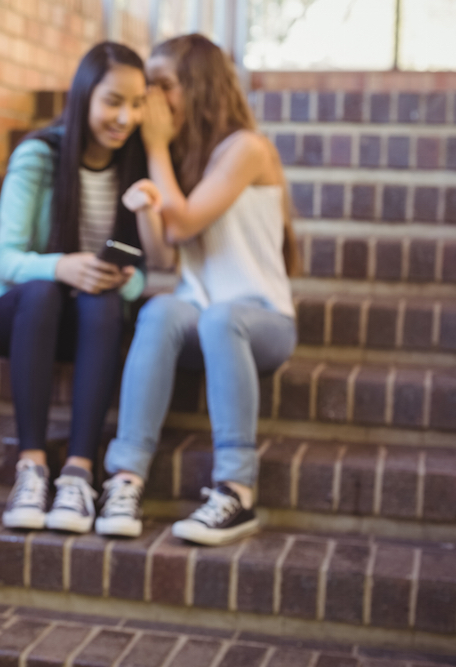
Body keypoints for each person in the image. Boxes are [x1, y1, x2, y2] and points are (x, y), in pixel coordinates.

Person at [95, 34, 299, 546]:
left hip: (261, 319)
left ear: (201, 85)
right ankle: (125, 478)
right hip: (203, 316)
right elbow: (165, 256)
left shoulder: (247, 149)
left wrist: (158, 148)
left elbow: (183, 225)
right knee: (162, 309)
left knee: (220, 316)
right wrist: (146, 206)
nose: (154, 102)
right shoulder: (184, 160)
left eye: (164, 85)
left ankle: (237, 490)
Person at [0, 42, 149, 534]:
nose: (126, 117)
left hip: (88, 318)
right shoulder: (40, 155)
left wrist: (124, 280)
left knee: (104, 301)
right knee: (44, 292)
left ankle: (78, 472)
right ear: (84, 95)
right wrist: (63, 267)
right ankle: (31, 465)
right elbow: (4, 258)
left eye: (137, 105)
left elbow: (143, 270)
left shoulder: (134, 165)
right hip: (21, 313)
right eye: (114, 101)